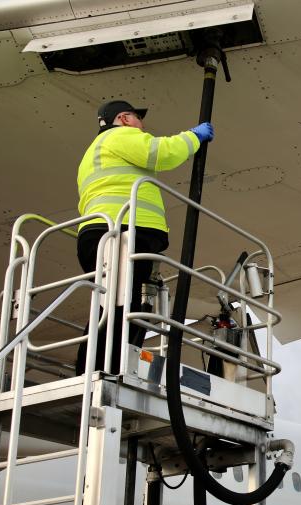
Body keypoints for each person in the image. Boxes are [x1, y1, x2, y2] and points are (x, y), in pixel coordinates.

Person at [75, 99, 215, 374]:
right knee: (124, 305)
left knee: (112, 305)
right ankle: (104, 370)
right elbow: (160, 153)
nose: (142, 126)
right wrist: (193, 137)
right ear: (125, 118)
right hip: (123, 231)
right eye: (138, 119)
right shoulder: (120, 136)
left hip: (99, 235)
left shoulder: (92, 155)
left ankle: (94, 368)